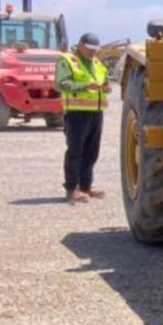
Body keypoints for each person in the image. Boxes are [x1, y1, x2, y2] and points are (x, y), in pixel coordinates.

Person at [55, 33, 110, 203]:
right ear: (80, 45)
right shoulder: (67, 60)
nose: (93, 53)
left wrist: (106, 87)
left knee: (91, 152)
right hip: (77, 113)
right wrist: (86, 86)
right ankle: (72, 189)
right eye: (90, 49)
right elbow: (60, 83)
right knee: (75, 151)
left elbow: (105, 80)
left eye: (95, 50)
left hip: (96, 112)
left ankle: (86, 187)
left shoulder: (97, 63)